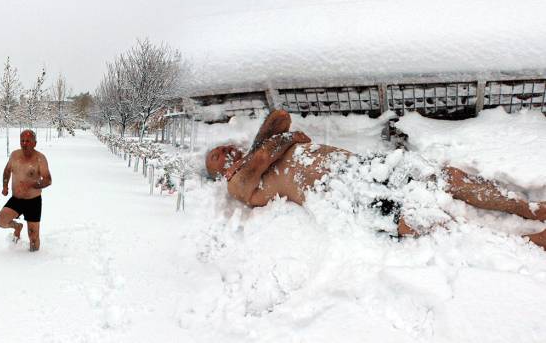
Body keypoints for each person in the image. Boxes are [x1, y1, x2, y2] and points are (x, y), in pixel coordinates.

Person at [205, 109, 546, 247]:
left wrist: (264, 142)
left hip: (361, 166)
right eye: (216, 157)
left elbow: (281, 117)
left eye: (220, 148)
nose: (223, 151)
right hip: (341, 195)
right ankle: (523, 242)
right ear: (217, 173)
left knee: (446, 178)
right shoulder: (237, 185)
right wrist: (281, 143)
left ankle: (527, 209)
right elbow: (268, 153)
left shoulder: (256, 152)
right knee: (423, 220)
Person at [0, 129, 52, 251]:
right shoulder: (15, 155)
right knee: (1, 220)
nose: (25, 143)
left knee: (34, 239)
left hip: (33, 201)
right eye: (22, 141)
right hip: (17, 200)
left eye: (28, 141)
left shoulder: (40, 158)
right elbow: (6, 171)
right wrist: (5, 186)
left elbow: (48, 180)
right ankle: (17, 227)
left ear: (34, 143)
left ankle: (34, 262)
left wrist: (33, 184)